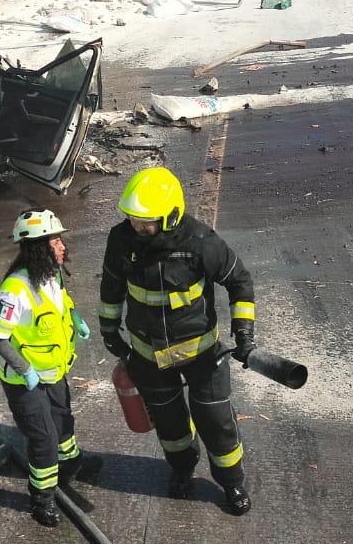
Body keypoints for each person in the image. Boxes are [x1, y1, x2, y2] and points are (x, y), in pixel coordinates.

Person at [100, 168, 255, 515]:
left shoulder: (199, 242)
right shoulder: (122, 240)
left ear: (170, 217)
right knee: (170, 426)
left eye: (145, 223)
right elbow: (111, 286)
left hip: (202, 356)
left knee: (216, 423)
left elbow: (240, 281)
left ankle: (232, 483)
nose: (136, 229)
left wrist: (244, 332)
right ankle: (182, 469)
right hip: (148, 357)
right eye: (132, 220)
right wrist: (109, 330)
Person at [0, 209, 92, 527]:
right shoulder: (15, 289)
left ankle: (70, 464)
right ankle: (41, 497)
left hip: (54, 371)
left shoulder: (53, 275)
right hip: (25, 380)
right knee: (44, 438)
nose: (62, 247)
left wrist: (75, 318)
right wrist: (25, 371)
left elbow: (61, 302)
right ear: (37, 247)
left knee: (62, 419)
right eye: (56, 241)